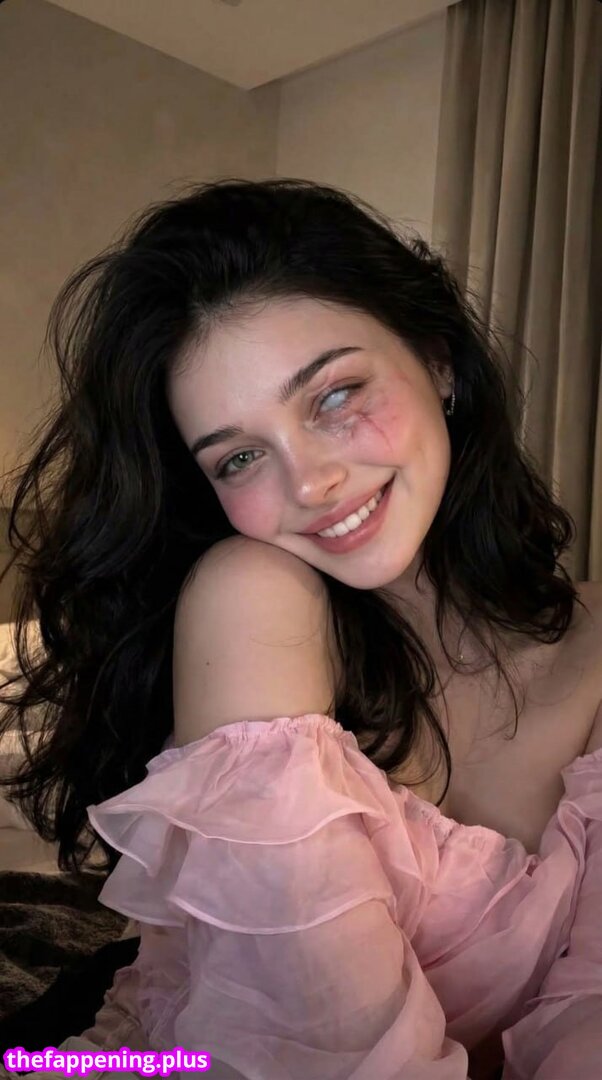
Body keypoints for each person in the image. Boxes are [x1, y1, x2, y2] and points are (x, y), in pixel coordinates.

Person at [1, 177, 601, 1080]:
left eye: (333, 396)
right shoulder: (254, 595)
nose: (311, 483)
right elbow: (320, 1058)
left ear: (438, 360)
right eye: (240, 456)